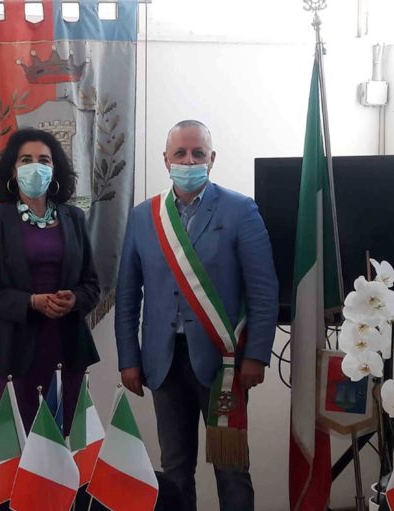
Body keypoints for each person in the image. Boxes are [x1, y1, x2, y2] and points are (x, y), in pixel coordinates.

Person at [115, 120, 279, 511]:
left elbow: (263, 289)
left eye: (198, 153)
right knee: (174, 468)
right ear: (166, 160)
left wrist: (256, 356)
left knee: (231, 468)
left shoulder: (240, 210)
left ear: (212, 158)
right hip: (163, 362)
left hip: (224, 363)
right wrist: (128, 359)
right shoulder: (144, 216)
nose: (189, 161)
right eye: (181, 153)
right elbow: (127, 295)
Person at [0, 128, 100, 444]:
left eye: (44, 160)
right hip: (13, 355)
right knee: (15, 451)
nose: (35, 166)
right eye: (26, 160)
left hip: (66, 351)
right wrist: (30, 302)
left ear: (55, 170)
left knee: (67, 450)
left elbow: (92, 286)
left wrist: (74, 299)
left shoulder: (74, 218)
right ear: (13, 170)